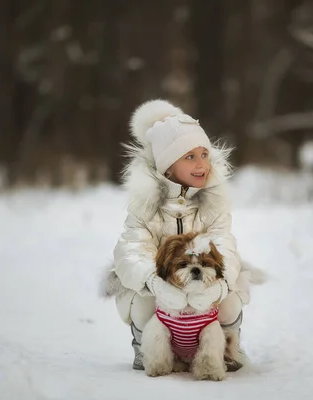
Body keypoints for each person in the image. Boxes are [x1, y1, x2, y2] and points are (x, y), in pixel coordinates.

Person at [112, 99, 249, 371]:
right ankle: (147, 349)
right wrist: (154, 282)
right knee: (143, 303)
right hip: (161, 281)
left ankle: (225, 348)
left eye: (204, 154)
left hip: (204, 278)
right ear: (167, 167)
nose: (201, 164)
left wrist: (220, 286)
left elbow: (225, 246)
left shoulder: (214, 202)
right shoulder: (145, 205)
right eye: (189, 156)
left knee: (231, 300)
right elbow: (130, 251)